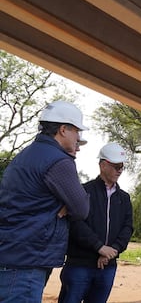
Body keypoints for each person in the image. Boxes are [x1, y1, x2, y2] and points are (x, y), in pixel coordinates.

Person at [0, 100, 91, 302]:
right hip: (27, 263)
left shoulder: (29, 154)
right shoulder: (58, 160)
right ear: (63, 129)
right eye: (77, 131)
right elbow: (82, 208)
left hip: (13, 255)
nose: (78, 137)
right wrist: (68, 204)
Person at [58, 142, 134, 303]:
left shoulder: (124, 198)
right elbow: (76, 224)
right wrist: (99, 248)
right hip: (79, 265)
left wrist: (112, 251)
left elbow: (127, 228)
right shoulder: (83, 191)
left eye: (122, 166)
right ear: (103, 165)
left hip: (107, 267)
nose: (120, 170)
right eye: (116, 166)